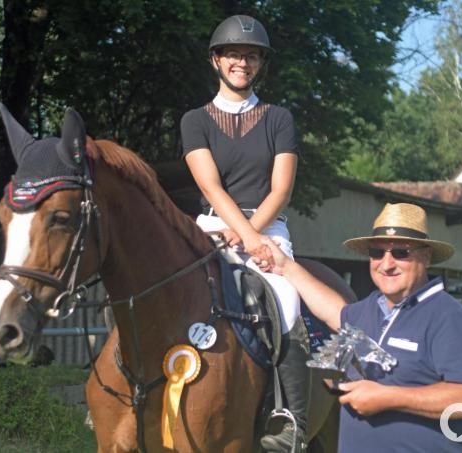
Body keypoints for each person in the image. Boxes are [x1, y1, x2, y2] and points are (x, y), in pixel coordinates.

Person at [259, 203, 462, 452]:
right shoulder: (370, 308)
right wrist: (285, 267)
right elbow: (333, 311)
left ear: (426, 256)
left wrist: (386, 397)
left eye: (401, 252)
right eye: (377, 252)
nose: (386, 263)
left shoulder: (449, 317)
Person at [180, 14, 307, 452]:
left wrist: (251, 236)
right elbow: (210, 186)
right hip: (211, 227)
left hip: (267, 228)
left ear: (260, 65)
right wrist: (237, 233)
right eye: (234, 54)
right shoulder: (194, 121)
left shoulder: (279, 118)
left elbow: (281, 189)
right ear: (217, 60)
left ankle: (289, 417)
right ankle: (124, 388)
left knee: (286, 302)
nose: (243, 62)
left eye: (251, 56)